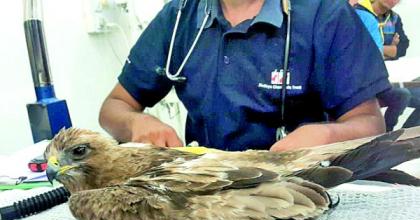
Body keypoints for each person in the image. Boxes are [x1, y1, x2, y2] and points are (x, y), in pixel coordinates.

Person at [99, 0, 389, 152]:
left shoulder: (323, 15)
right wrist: (136, 123)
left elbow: (370, 124)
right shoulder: (178, 18)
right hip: (208, 192)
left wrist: (325, 136)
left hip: (298, 188)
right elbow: (114, 107)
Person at [354, 0, 411, 131]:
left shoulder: (394, 18)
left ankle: (395, 133)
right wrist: (390, 48)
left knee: (407, 96)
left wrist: (381, 50)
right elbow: (364, 50)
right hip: (361, 81)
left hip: (383, 78)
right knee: (402, 95)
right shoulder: (359, 13)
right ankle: (384, 133)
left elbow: (402, 48)